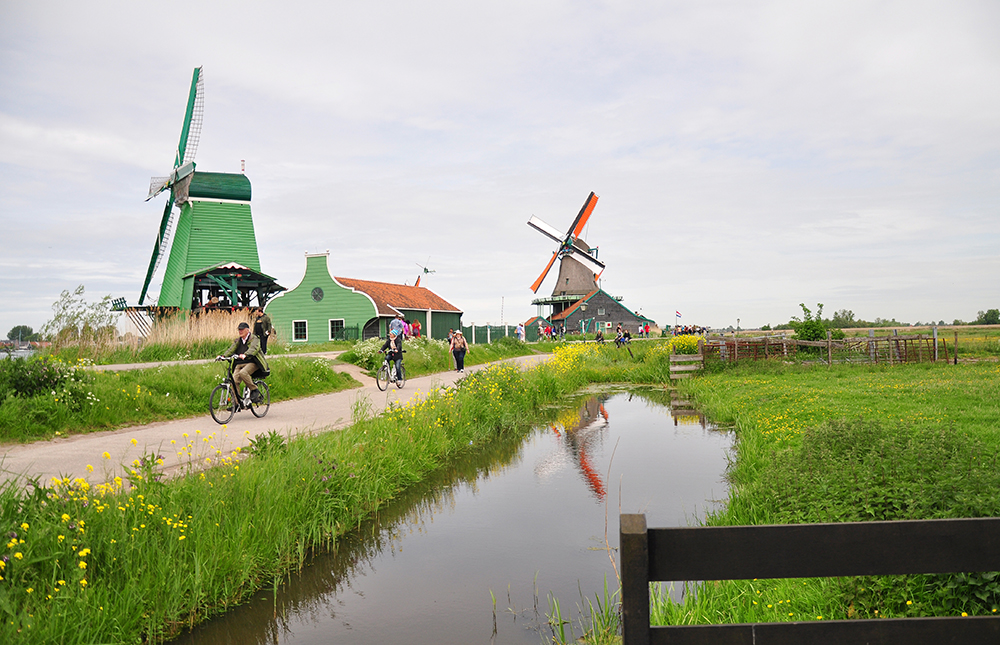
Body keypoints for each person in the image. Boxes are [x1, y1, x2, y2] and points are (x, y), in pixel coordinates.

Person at [219, 322, 268, 403]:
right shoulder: (238, 340)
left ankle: (254, 389)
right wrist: (223, 356)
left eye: (242, 330)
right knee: (234, 382)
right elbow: (232, 349)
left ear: (247, 330)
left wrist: (246, 354)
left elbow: (254, 348)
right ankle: (237, 404)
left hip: (253, 362)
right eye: (239, 330)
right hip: (240, 363)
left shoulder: (254, 338)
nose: (240, 331)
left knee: (243, 373)